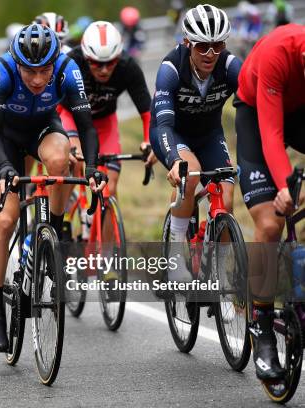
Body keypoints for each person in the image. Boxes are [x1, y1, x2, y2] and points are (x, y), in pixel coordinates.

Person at [0, 24, 104, 352]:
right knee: (5, 221)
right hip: (4, 141)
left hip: (42, 130)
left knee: (60, 158)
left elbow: (86, 126)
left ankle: (54, 228)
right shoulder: (2, 70)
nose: (37, 80)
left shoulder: (68, 68)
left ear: (55, 63)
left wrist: (93, 167)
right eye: (30, 71)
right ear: (17, 63)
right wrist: (6, 166)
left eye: (44, 71)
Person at [149, 4, 241, 282]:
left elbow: (255, 109)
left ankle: (221, 277)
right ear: (187, 42)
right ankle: (176, 251)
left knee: (227, 199)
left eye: (217, 45)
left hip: (209, 135)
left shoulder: (231, 67)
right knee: (190, 174)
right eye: (202, 46)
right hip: (173, 133)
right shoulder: (171, 69)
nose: (210, 54)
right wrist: (173, 158)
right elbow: (163, 123)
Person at [234, 23, 305, 381]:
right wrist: (284, 187)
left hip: (300, 109)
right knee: (270, 224)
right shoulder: (279, 52)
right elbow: (272, 136)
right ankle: (262, 329)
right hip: (258, 112)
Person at [59, 20, 154, 204]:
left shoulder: (128, 66)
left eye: (110, 63)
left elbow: (146, 111)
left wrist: (149, 141)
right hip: (72, 117)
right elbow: (52, 101)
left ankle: (105, 227)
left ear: (118, 57)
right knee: (76, 162)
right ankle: (59, 219)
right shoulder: (72, 61)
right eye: (96, 63)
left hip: (104, 122)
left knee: (109, 187)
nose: (104, 70)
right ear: (86, 57)